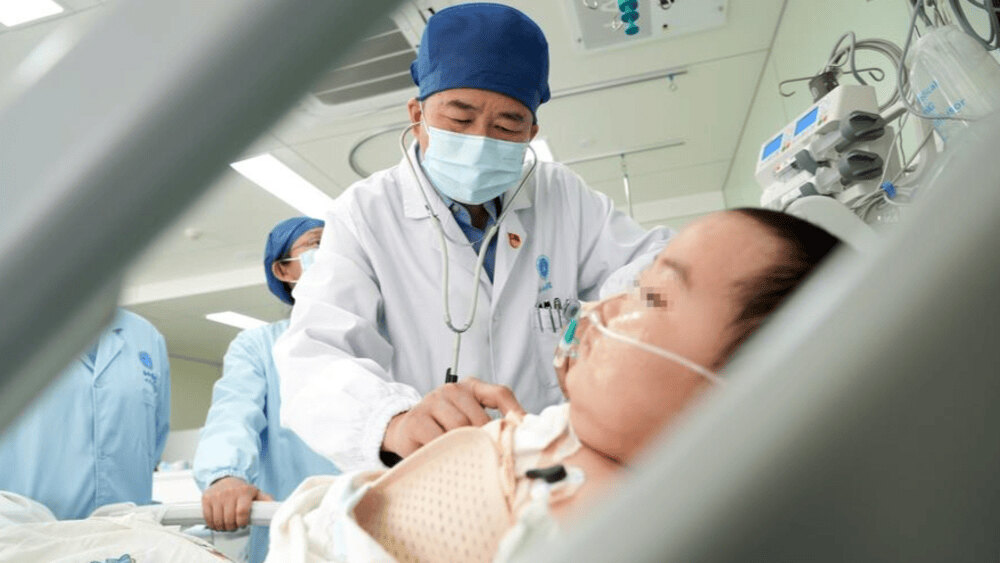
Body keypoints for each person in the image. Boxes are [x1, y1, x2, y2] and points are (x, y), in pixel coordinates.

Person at [264, 209, 843, 562]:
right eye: (634, 284)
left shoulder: (615, 527)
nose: (604, 306)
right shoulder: (570, 434)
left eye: (652, 296)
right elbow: (315, 354)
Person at [274, 2, 672, 473]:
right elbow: (316, 352)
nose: (482, 139)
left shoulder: (561, 194)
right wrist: (393, 420)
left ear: (532, 132)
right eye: (459, 120)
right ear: (416, 114)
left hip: (548, 463)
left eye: (507, 126)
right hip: (434, 473)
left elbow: (654, 266)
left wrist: (622, 324)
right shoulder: (363, 213)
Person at [193, 217, 339, 563]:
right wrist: (224, 476)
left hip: (380, 529)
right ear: (284, 270)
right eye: (316, 243)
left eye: (339, 242)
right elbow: (231, 414)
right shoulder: (258, 346)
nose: (332, 251)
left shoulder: (382, 337)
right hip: (291, 535)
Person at [0, 308, 170, 520]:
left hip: (126, 533)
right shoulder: (12, 322)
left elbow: (155, 437)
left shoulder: (146, 336)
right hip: (26, 534)